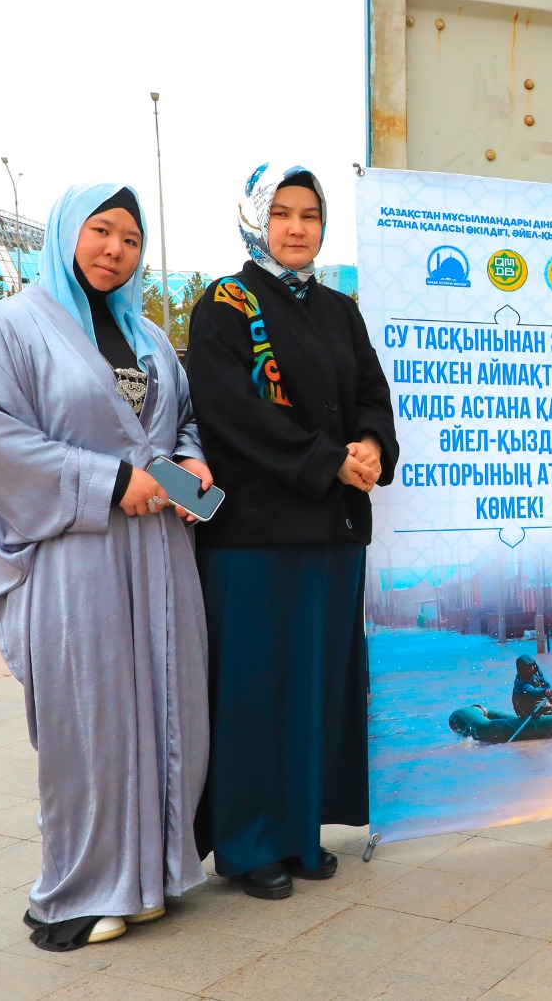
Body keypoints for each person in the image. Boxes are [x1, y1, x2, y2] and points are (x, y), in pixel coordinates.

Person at [0, 183, 211, 950]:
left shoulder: (150, 336)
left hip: (161, 556)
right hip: (79, 559)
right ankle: (80, 888)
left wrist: (191, 475)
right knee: (92, 722)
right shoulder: (6, 329)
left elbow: (179, 425)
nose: (115, 251)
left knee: (170, 710)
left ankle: (156, 873)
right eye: (101, 231)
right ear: (67, 233)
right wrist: (108, 484)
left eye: (131, 239)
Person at [186, 161, 397, 900]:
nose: (297, 227)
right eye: (282, 213)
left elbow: (372, 392)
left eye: (309, 214)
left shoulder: (339, 310)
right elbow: (231, 413)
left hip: (331, 534)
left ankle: (300, 831)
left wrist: (371, 444)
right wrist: (328, 461)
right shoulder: (227, 303)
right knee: (254, 692)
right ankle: (248, 847)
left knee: (316, 688)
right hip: (254, 537)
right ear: (255, 220)